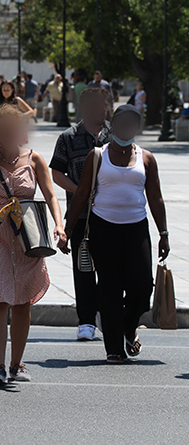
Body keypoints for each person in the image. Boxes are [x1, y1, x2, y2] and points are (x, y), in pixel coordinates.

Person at [60, 105, 168, 363]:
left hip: (136, 228)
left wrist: (163, 232)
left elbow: (155, 197)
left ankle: (128, 327)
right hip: (103, 227)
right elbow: (82, 194)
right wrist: (68, 228)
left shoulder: (146, 158)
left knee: (142, 287)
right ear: (113, 124)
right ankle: (114, 348)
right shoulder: (97, 156)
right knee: (109, 287)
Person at [0, 106, 66, 385]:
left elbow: (50, 195)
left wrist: (59, 226)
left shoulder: (34, 159)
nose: (8, 136)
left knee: (23, 302)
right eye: (2, 131)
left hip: (27, 237)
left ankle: (17, 364)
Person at [50, 88, 112, 341]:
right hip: (82, 214)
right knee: (84, 268)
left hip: (112, 215)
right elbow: (57, 173)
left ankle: (107, 316)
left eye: (105, 104)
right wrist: (80, 192)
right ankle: (86, 320)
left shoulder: (116, 135)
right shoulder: (68, 137)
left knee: (111, 270)